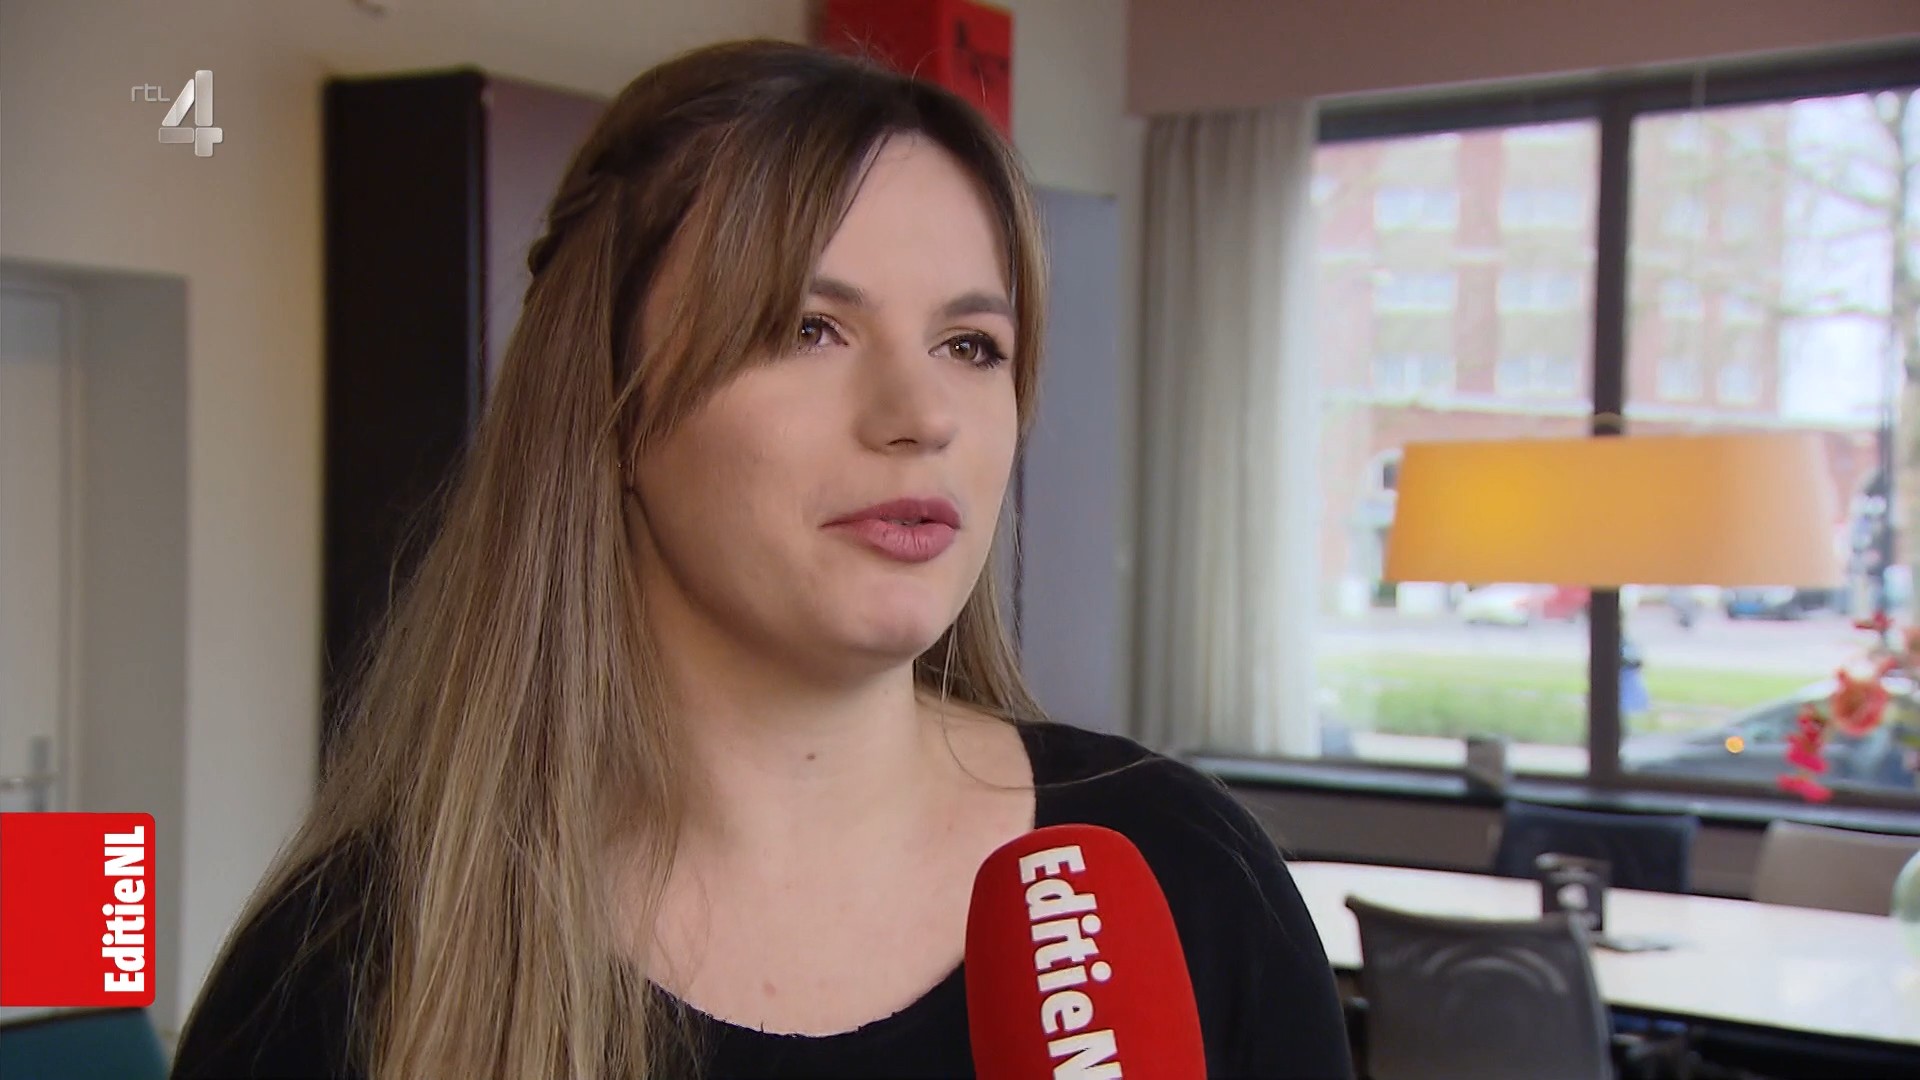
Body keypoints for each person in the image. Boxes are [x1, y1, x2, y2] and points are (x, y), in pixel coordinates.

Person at [169, 39, 1352, 1080]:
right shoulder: (343, 969)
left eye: (970, 344)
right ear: (613, 408)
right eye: (808, 327)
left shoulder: (1189, 879)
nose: (921, 415)